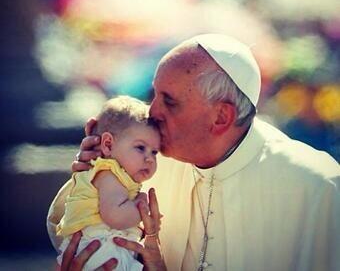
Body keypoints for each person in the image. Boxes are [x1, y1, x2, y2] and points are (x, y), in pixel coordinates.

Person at [48, 34, 340, 271]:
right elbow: (73, 235)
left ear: (221, 117)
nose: (152, 111)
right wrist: (92, 173)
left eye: (169, 102)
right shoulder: (145, 161)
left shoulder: (318, 189)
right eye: (154, 95)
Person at [53, 96, 162, 271]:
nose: (149, 159)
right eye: (140, 148)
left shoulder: (119, 176)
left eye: (155, 152)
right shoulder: (108, 174)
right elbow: (115, 216)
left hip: (106, 245)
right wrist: (142, 206)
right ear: (108, 145)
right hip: (100, 248)